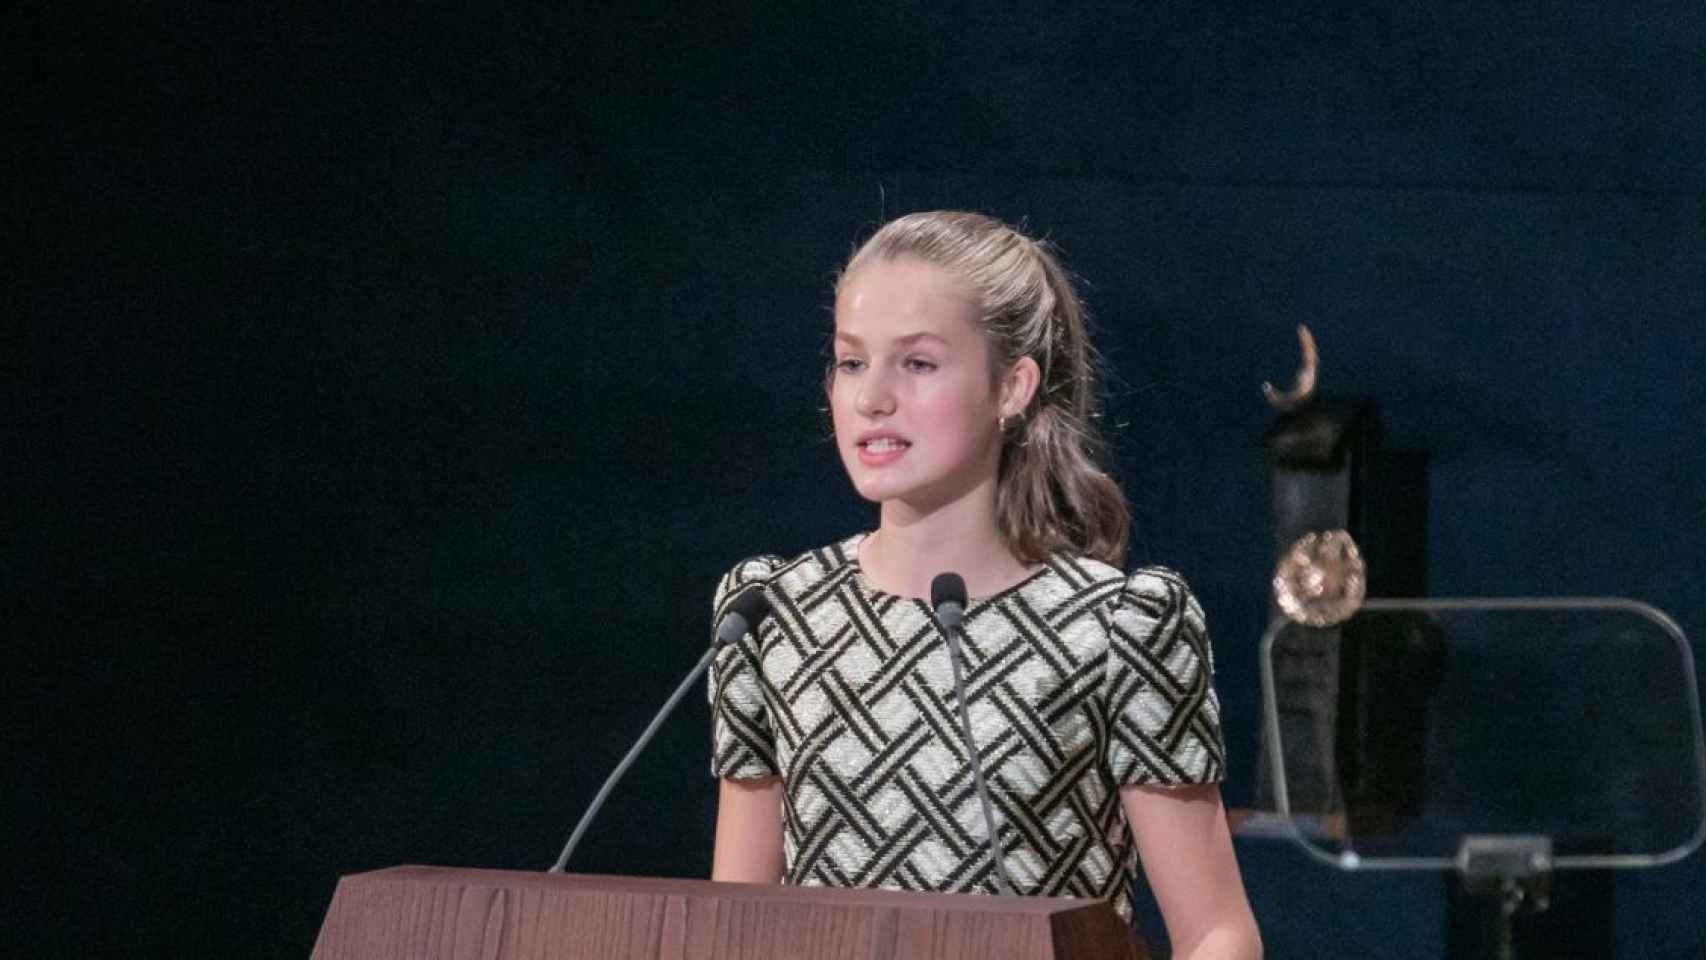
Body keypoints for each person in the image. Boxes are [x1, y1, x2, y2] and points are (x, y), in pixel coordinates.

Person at [707, 211, 1261, 958]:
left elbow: (1218, 935)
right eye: (850, 362)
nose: (873, 398)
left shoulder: (1119, 628)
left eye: (918, 364)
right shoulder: (771, 612)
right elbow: (734, 926)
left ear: (1012, 386)